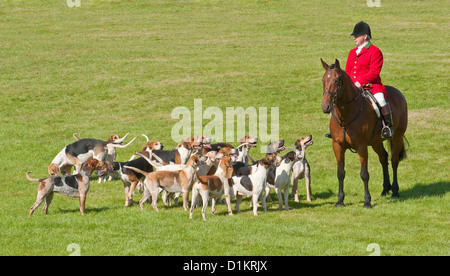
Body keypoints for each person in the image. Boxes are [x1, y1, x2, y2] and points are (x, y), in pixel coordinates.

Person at [326, 21, 393, 139]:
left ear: (365, 36)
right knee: (338, 100)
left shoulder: (375, 51)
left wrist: (360, 82)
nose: (354, 38)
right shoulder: (352, 52)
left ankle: (387, 127)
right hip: (354, 87)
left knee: (381, 100)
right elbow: (348, 72)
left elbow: (374, 72)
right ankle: (335, 129)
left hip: (372, 86)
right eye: (354, 36)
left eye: (356, 36)